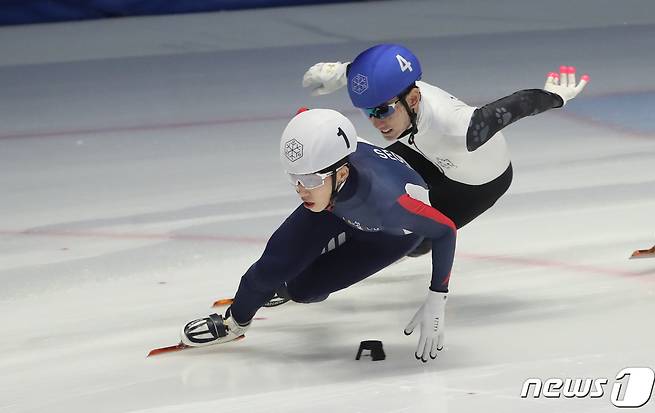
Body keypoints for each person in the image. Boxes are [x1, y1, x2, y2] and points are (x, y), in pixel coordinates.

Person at [180, 108, 457, 362]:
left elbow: (445, 231)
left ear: (342, 172)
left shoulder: (391, 203)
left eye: (310, 180)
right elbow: (309, 119)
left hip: (388, 236)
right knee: (271, 267)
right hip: (334, 206)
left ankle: (291, 288)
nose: (301, 190)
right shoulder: (324, 176)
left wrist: (437, 296)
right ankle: (234, 323)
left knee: (303, 289)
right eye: (295, 178)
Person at [302, 44, 589, 255]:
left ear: (413, 99)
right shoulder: (397, 94)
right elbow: (367, 70)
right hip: (424, 151)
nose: (376, 122)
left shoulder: (460, 128)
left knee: (414, 241)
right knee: (358, 181)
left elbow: (516, 106)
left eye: (383, 110)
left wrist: (554, 97)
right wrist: (340, 72)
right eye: (367, 112)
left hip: (475, 182)